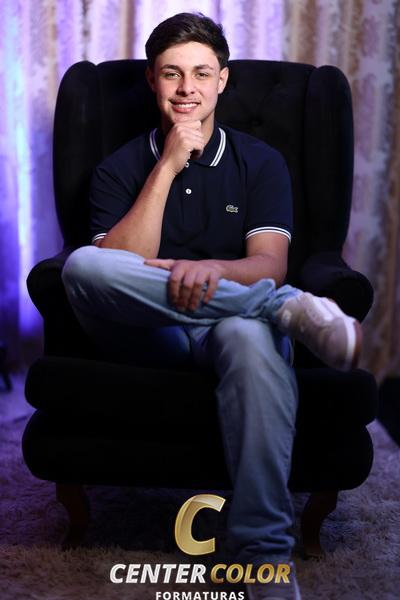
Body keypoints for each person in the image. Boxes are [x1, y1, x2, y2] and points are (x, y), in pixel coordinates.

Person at [61, 12, 362, 600]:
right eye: (171, 73)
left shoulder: (260, 161)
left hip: (231, 327)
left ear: (222, 80)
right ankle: (284, 310)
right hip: (149, 333)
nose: (186, 88)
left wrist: (214, 272)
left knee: (248, 337)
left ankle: (265, 560)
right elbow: (117, 266)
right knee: (82, 266)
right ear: (152, 79)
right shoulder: (119, 167)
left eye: (201, 73)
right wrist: (168, 166)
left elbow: (268, 263)